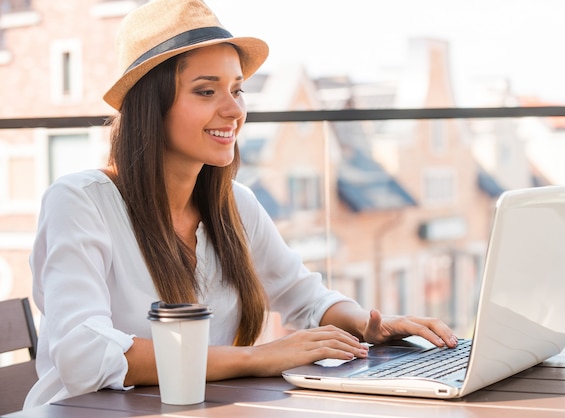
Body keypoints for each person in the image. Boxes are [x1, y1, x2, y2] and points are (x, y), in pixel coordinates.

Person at [24, 0, 458, 408]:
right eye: (206, 91)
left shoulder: (234, 204)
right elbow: (83, 355)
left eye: (237, 89)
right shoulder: (79, 202)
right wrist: (260, 357)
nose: (234, 110)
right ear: (150, 108)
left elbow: (302, 295)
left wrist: (368, 324)